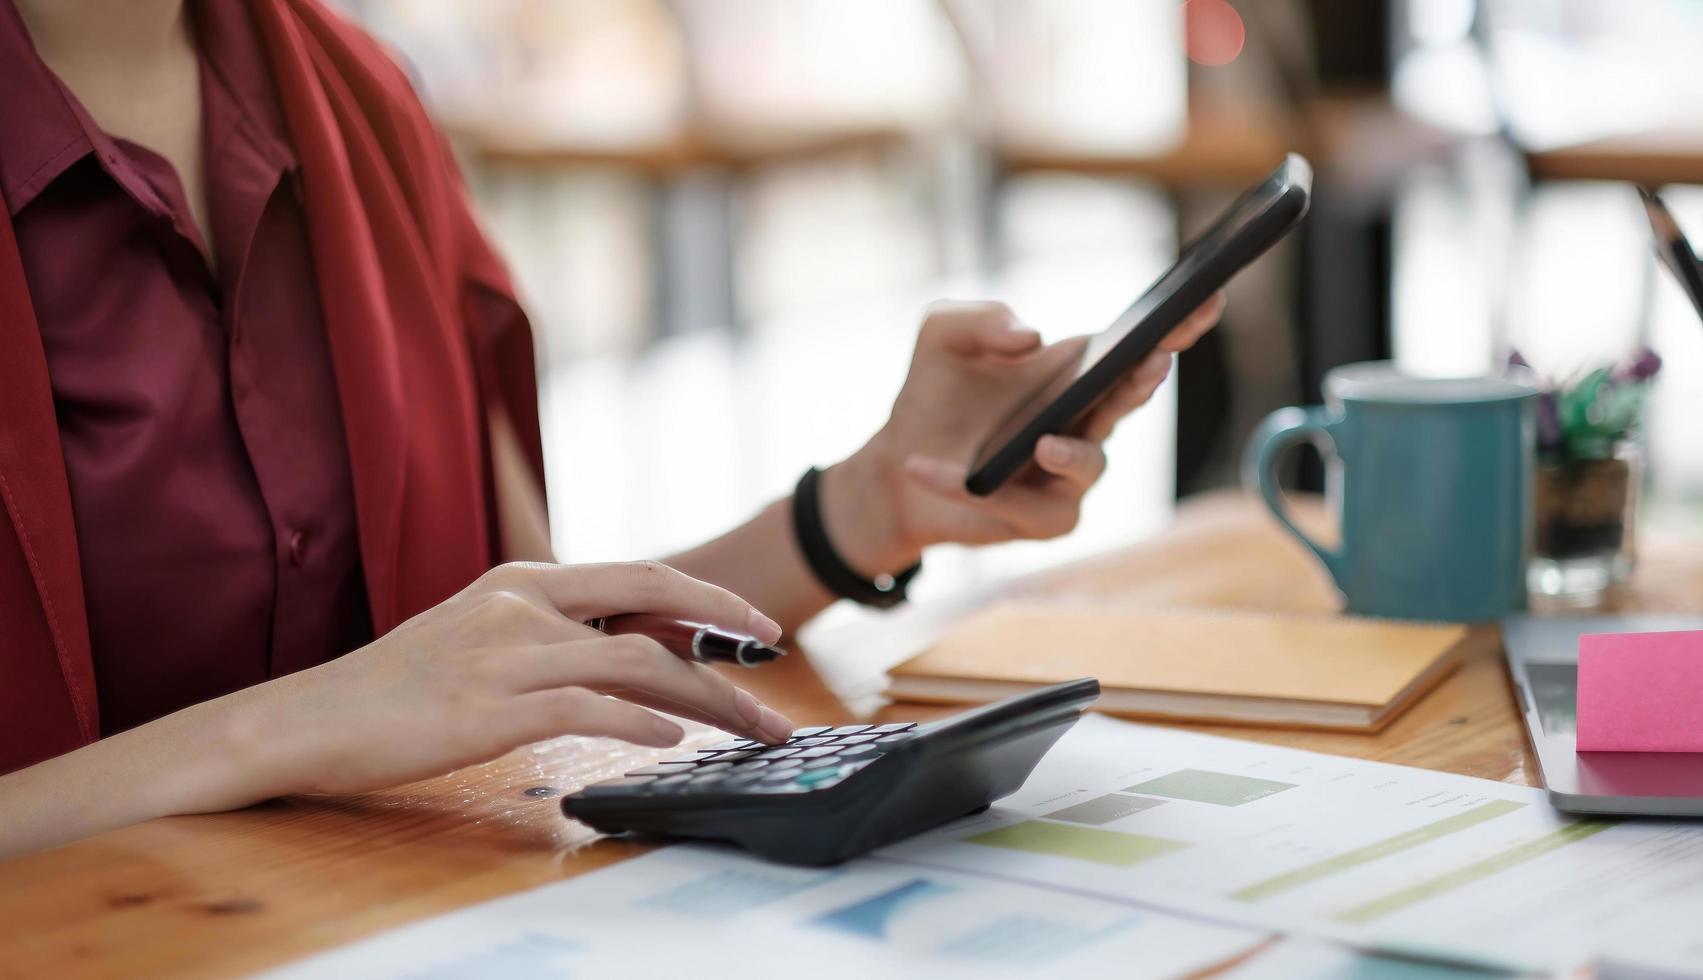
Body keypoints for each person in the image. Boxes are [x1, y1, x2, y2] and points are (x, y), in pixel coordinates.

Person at [0, 0, 1224, 859]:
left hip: (381, 918)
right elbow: (382, 699)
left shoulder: (353, 99)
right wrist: (285, 728)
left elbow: (535, 638)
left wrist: (867, 503)